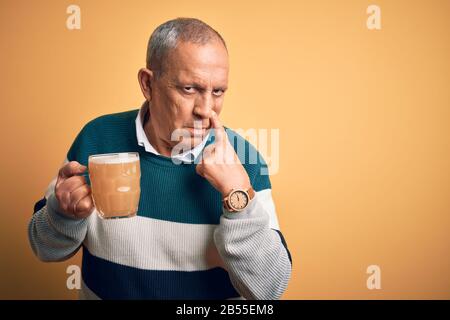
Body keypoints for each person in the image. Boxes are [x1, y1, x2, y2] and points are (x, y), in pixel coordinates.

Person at [28, 17, 292, 300]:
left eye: (217, 92)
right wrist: (62, 214)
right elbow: (44, 248)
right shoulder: (97, 138)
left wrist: (238, 196)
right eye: (189, 89)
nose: (206, 109)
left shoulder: (246, 160)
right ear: (148, 83)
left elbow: (269, 291)